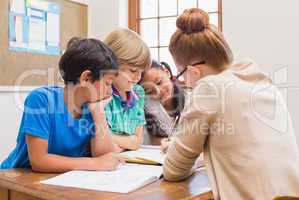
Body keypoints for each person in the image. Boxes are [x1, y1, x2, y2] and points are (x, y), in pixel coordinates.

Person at [163, 8, 299, 199]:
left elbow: (173, 171)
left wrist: (177, 150)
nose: (183, 81)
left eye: (180, 74)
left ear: (193, 71)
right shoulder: (258, 79)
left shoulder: (208, 89)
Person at [0, 38, 124, 172]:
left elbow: (104, 156)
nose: (110, 91)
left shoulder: (92, 107)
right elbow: (39, 161)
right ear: (86, 78)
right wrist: (94, 164)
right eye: (108, 83)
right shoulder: (41, 100)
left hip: (57, 180)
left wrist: (98, 113)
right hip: (14, 179)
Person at [104, 28, 151, 152]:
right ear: (112, 65)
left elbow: (137, 142)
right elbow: (102, 143)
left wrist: (117, 142)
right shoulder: (101, 94)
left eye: (141, 72)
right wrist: (128, 142)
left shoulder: (138, 92)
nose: (138, 77)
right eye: (133, 71)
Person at [139, 60, 185, 146]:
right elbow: (158, 143)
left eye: (159, 82)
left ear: (167, 73)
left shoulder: (190, 100)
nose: (158, 91)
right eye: (150, 91)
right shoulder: (145, 108)